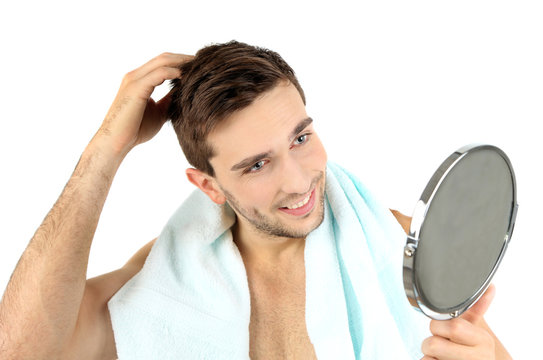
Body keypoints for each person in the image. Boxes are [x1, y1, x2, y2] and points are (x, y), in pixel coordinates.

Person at [0, 41, 511, 359]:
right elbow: (19, 351)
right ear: (209, 186)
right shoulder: (159, 284)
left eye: (300, 138)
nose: (299, 181)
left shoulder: (400, 245)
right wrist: (104, 153)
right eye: (258, 164)